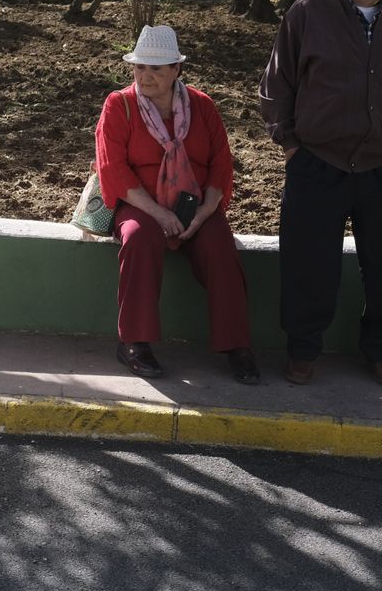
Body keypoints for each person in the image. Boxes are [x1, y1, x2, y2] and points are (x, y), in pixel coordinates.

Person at [259, 0, 382, 387]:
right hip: (317, 162)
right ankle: (302, 349)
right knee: (308, 263)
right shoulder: (307, 14)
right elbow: (277, 86)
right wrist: (291, 146)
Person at [95, 24, 259, 384]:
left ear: (176, 70)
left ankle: (237, 345)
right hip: (141, 203)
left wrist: (205, 212)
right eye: (140, 67)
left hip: (195, 204)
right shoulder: (119, 105)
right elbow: (113, 168)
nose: (145, 76)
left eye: (156, 68)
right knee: (139, 239)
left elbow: (221, 164)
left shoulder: (202, 106)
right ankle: (134, 343)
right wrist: (157, 213)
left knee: (220, 247)